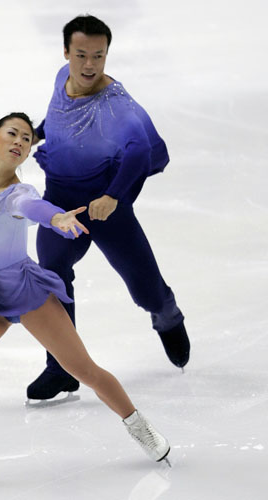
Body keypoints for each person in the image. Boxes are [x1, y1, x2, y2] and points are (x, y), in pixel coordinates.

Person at [0, 112, 170, 485]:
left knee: (83, 370)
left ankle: (139, 426)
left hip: (27, 293)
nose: (19, 142)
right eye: (12, 134)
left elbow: (33, 208)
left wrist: (56, 218)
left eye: (27, 139)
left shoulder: (18, 194)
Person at [27, 15, 191, 402]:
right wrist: (37, 133)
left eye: (98, 56)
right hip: (60, 204)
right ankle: (61, 368)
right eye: (81, 54)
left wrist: (113, 196)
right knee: (52, 278)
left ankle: (166, 313)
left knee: (146, 290)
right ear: (66, 52)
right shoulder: (60, 79)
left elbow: (138, 152)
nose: (89, 65)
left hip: (106, 207)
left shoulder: (117, 104)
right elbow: (61, 118)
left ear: (106, 55)